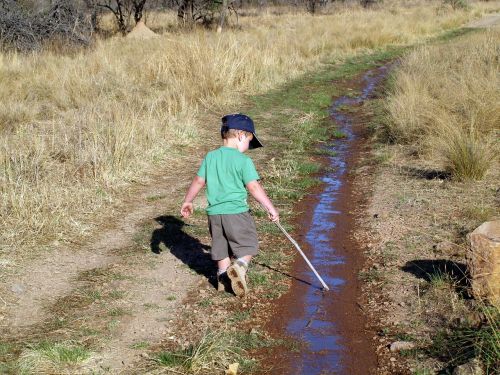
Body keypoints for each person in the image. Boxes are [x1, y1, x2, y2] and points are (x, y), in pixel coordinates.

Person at [180, 113, 279, 297]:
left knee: (221, 248)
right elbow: (254, 187)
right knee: (248, 245)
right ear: (241, 135)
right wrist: (270, 207)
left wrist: (188, 200)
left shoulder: (210, 157)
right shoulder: (243, 161)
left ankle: (223, 278)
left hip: (214, 214)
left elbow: (198, 181)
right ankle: (239, 268)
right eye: (250, 141)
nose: (248, 148)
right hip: (236, 213)